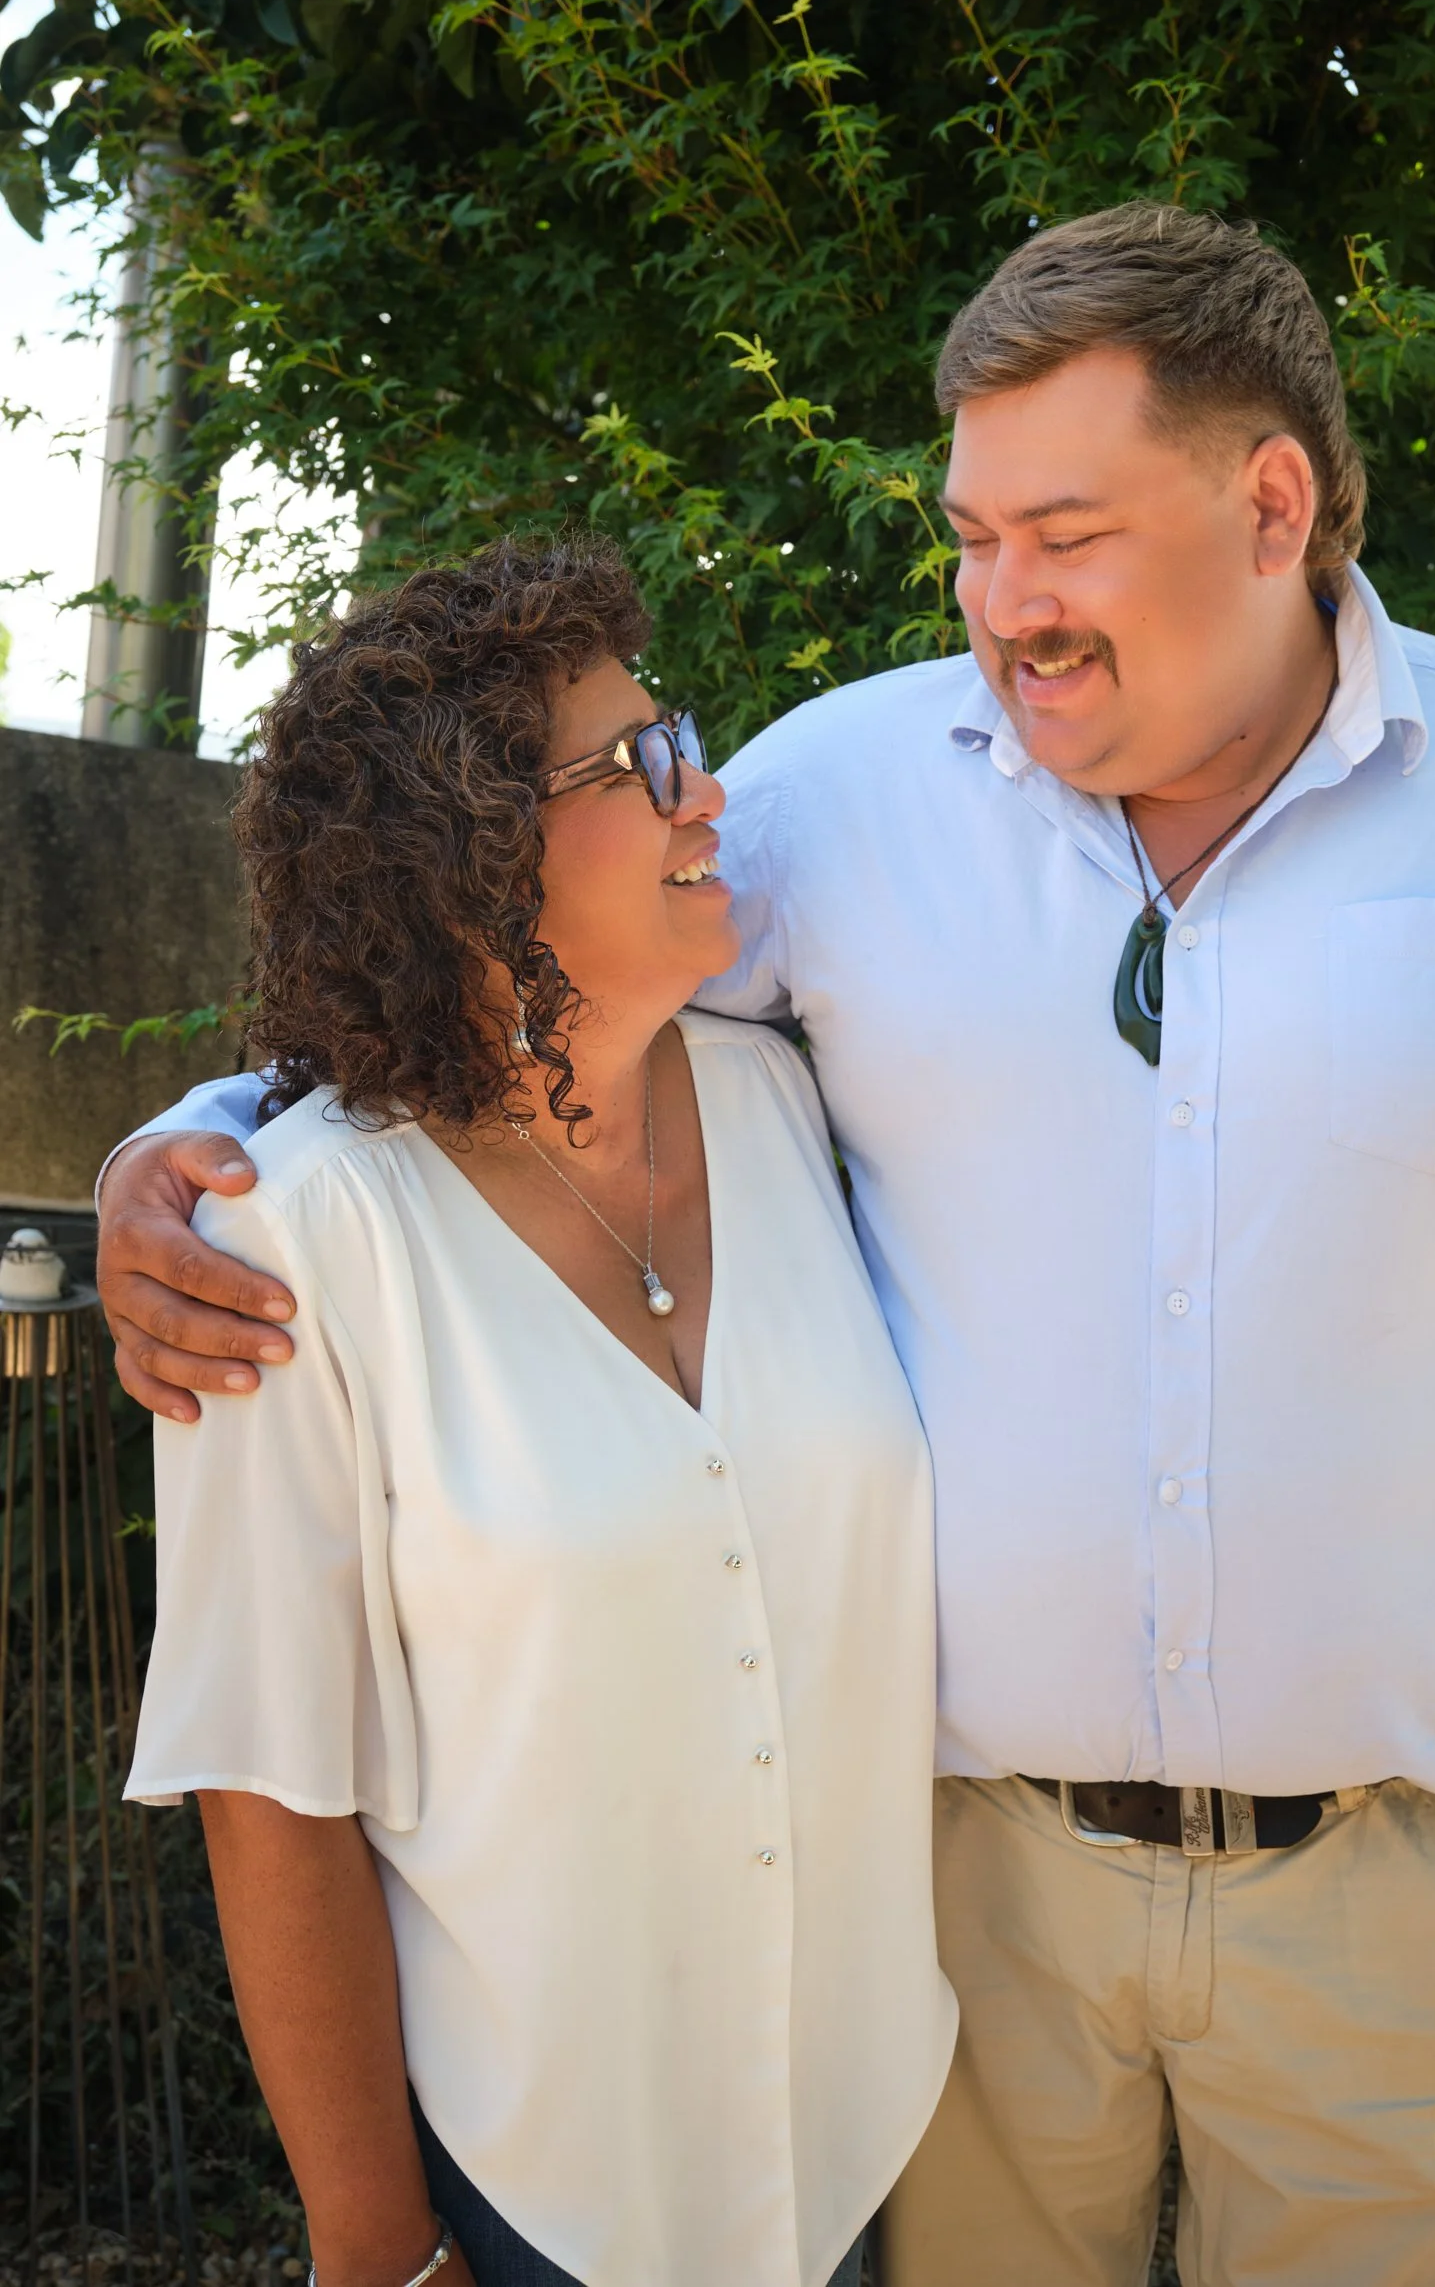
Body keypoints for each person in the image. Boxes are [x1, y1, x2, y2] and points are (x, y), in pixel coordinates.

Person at [103, 206, 1435, 2287]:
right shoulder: (835, 797)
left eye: (1065, 536)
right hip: (946, 1925)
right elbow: (488, 995)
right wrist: (197, 1143)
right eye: (972, 537)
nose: (1003, 604)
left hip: (1411, 1907)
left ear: (1271, 503)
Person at [121, 536, 955, 2287]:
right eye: (640, 761)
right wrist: (380, 2251)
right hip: (538, 2198)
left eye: (681, 740)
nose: (703, 793)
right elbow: (270, 1794)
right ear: (468, 853)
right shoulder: (296, 1242)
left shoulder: (796, 1109)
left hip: (867, 2145)